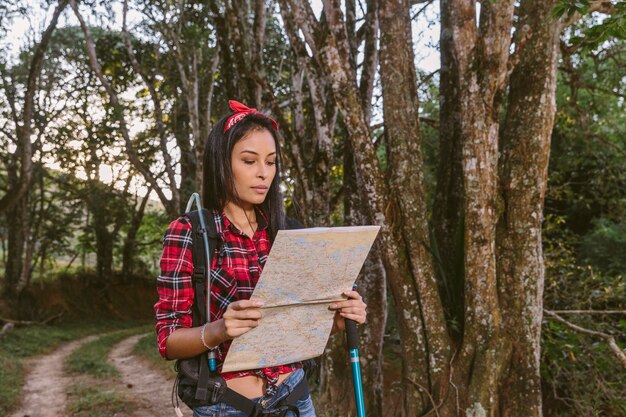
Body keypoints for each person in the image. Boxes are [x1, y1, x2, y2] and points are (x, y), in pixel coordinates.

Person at [155, 100, 367, 417]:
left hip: (296, 399)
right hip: (227, 405)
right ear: (222, 163)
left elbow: (300, 326)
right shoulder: (190, 233)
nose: (263, 174)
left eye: (270, 162)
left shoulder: (289, 234)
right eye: (249, 161)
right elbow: (168, 341)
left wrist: (338, 319)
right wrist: (219, 330)